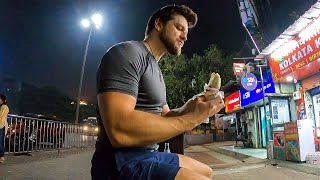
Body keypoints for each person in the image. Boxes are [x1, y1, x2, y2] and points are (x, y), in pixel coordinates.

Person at [91, 4, 225, 180]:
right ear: (159, 24)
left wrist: (191, 105)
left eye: (186, 32)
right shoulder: (127, 53)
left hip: (150, 153)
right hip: (121, 161)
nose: (184, 37)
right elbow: (119, 129)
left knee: (207, 171)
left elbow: (165, 116)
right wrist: (193, 118)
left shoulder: (157, 71)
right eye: (179, 28)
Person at [0, 94, 9, 164]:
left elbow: (1, 115)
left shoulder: (5, 107)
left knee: (0, 142)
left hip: (1, 126)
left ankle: (1, 156)